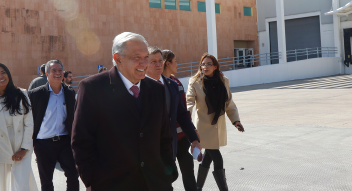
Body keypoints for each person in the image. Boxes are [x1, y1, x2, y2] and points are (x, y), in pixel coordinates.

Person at [72, 32, 176, 191]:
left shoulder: (157, 89)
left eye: (146, 57)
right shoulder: (93, 88)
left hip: (155, 183)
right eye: (136, 57)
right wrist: (92, 181)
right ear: (118, 58)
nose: (144, 63)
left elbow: (164, 136)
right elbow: (82, 140)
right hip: (111, 185)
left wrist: (168, 171)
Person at [186, 53, 244, 191]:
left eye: (208, 64)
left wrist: (236, 121)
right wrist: (186, 123)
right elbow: (189, 102)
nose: (205, 67)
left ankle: (198, 187)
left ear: (215, 66)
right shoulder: (195, 82)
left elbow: (229, 102)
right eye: (203, 64)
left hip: (218, 124)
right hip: (202, 126)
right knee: (217, 158)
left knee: (208, 157)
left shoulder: (223, 81)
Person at [0, 63, 38, 191]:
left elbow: (29, 124)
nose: (0, 76)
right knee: (0, 187)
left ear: (8, 74)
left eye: (3, 72)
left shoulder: (22, 94)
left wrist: (24, 148)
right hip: (0, 149)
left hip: (21, 149)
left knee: (22, 186)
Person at [29, 60, 79, 191]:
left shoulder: (69, 93)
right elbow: (29, 119)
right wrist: (31, 142)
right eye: (53, 70)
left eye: (60, 70)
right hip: (43, 143)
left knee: (73, 175)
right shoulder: (36, 94)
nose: (57, 73)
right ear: (46, 74)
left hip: (65, 142)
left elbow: (74, 117)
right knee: (46, 182)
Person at [156, 48, 200, 191]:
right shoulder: (151, 85)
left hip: (181, 139)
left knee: (188, 173)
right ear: (167, 63)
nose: (177, 64)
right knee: (166, 177)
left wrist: (192, 134)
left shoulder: (175, 83)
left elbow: (182, 112)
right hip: (164, 142)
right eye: (175, 61)